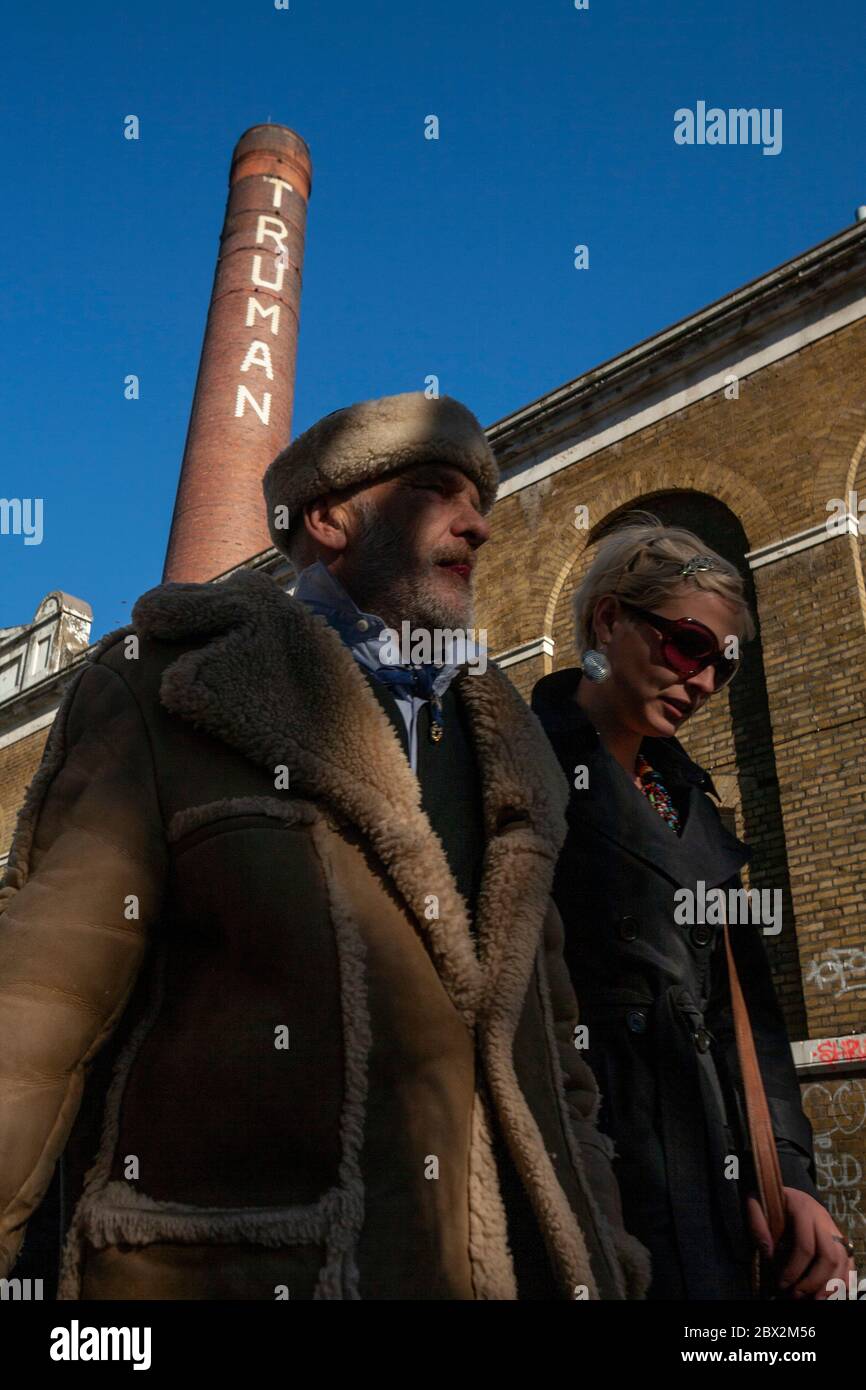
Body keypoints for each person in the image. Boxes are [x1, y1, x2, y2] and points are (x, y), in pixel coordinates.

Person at [0, 391, 649, 1300]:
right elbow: (38, 1010)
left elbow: (553, 1057)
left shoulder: (511, 747)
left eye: (484, 504)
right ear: (331, 516)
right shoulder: (169, 685)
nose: (478, 528)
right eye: (437, 491)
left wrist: (603, 1253)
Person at [530, 516, 855, 1300]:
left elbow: (753, 1018)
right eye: (688, 647)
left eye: (725, 667)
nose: (705, 683)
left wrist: (790, 1174)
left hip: (715, 1178)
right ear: (610, 620)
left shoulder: (695, 804)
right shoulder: (520, 763)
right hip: (584, 1172)